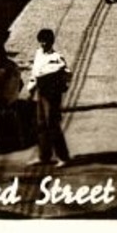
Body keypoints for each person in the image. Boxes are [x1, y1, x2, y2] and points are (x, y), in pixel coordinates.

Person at [26, 28, 73, 167]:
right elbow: (35, 74)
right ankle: (44, 156)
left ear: (51, 42)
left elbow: (66, 73)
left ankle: (63, 157)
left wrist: (55, 78)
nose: (43, 44)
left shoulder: (56, 57)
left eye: (46, 41)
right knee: (41, 124)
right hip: (41, 92)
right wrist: (31, 90)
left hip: (52, 94)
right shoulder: (38, 54)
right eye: (41, 41)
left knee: (52, 124)